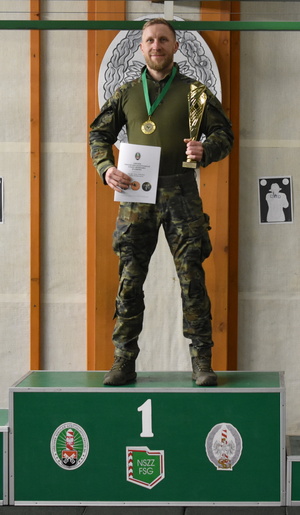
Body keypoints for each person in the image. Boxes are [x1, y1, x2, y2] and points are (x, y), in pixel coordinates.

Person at [89, 18, 234, 387]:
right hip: (136, 197)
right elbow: (98, 134)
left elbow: (224, 133)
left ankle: (202, 362)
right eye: (150, 40)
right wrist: (106, 169)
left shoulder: (195, 92)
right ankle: (123, 361)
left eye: (163, 40)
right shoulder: (125, 93)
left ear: (175, 46)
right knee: (129, 279)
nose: (157, 46)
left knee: (192, 280)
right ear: (142, 47)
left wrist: (207, 149)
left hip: (181, 193)